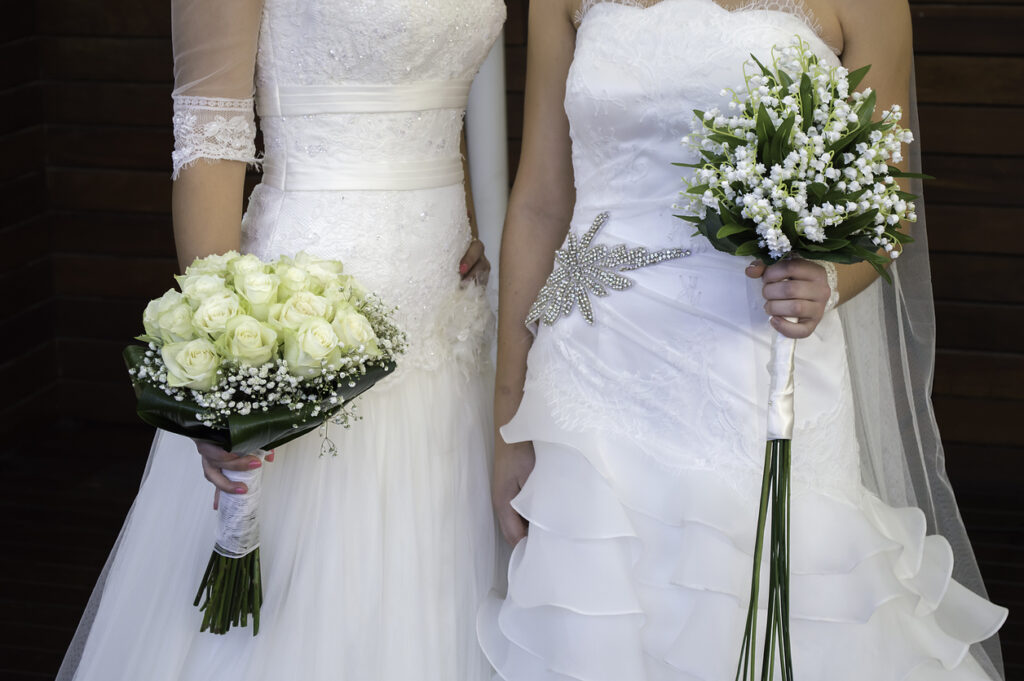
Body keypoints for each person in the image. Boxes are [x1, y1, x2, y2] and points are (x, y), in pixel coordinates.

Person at [480, 0, 1008, 679]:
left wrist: (828, 278)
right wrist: (508, 420)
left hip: (762, 374)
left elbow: (885, 209)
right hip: (593, 373)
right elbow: (540, 204)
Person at [58, 1, 505, 680]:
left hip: (450, 321)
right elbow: (209, 146)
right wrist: (224, 381)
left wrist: (462, 216)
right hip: (306, 336)